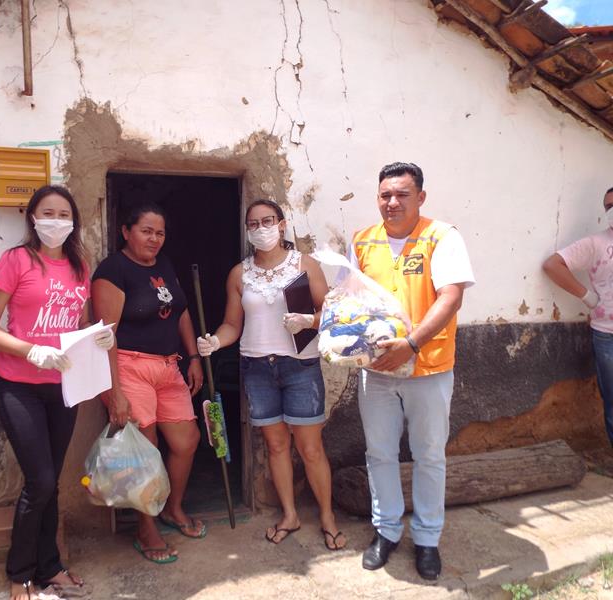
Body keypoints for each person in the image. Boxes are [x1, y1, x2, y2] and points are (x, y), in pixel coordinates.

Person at [0, 185, 114, 600]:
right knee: (39, 481)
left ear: (73, 222)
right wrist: (31, 350)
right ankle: (20, 574)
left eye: (64, 214)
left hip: (63, 387)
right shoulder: (15, 261)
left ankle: (50, 566)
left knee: (50, 483)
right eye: (47, 212)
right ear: (33, 218)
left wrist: (99, 337)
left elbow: (81, 323)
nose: (56, 220)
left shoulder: (79, 264)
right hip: (18, 385)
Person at [197, 199, 346, 551]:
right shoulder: (240, 273)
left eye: (267, 221)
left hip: (301, 365)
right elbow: (234, 324)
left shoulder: (304, 264)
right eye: (253, 223)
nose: (260, 228)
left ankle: (327, 516)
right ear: (247, 230)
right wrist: (216, 341)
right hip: (256, 367)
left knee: (310, 448)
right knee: (276, 446)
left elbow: (332, 311)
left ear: (282, 224)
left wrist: (308, 320)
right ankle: (290, 514)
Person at [350, 162, 474, 580]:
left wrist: (411, 343)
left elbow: (450, 297)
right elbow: (351, 300)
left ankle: (427, 538)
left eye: (402, 194)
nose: (392, 202)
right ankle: (386, 531)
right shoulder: (363, 241)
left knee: (428, 456)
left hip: (429, 366)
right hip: (378, 369)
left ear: (420, 197)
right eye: (385, 194)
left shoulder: (442, 236)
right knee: (380, 453)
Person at [91, 203, 205, 564]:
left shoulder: (165, 265)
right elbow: (105, 335)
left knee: (187, 440)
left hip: (168, 368)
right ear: (126, 231)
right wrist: (115, 391)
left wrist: (194, 357)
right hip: (129, 366)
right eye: (146, 231)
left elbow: (182, 310)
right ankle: (147, 528)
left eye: (160, 232)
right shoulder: (112, 270)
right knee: (146, 452)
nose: (154, 239)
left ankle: (171, 508)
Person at [543, 187, 613, 448]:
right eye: (607, 206)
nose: (611, 210)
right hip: (607, 336)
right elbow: (552, 265)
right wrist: (587, 296)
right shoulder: (595, 244)